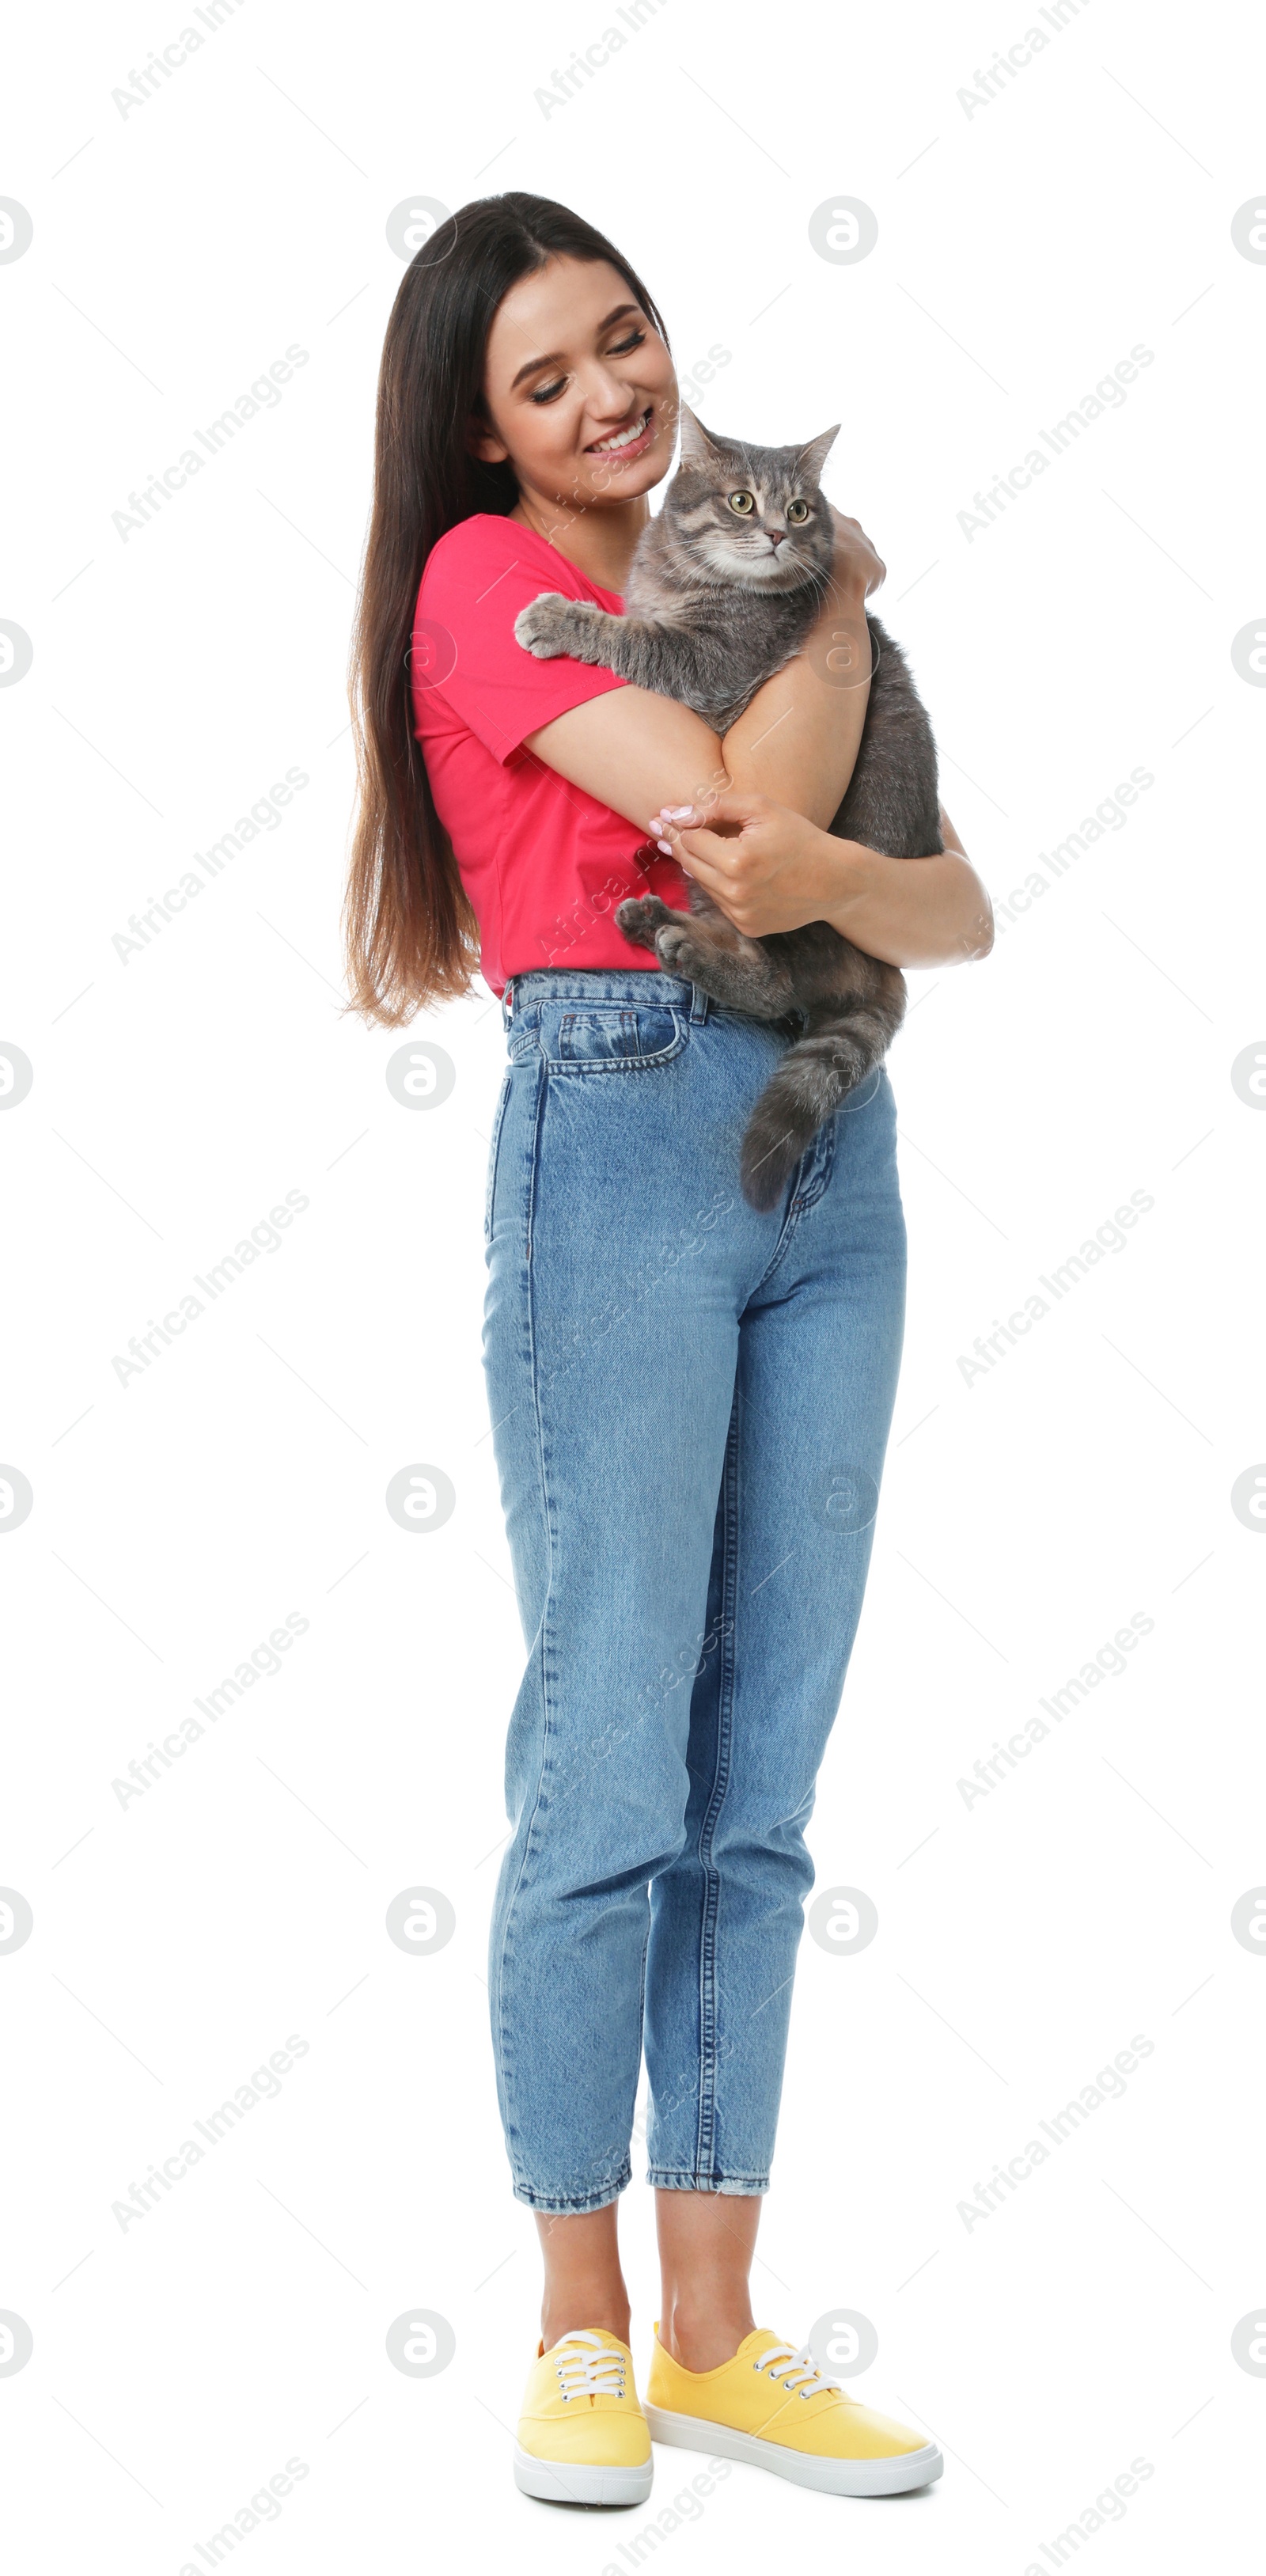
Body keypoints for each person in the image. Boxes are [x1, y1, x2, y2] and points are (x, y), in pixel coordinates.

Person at [347, 191, 991, 2510]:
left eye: (625, 337)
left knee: (765, 1771)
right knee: (608, 1758)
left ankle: (721, 2327)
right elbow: (754, 825)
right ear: (481, 431)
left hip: (841, 1156)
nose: (614, 390)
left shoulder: (704, 582)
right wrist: (835, 592)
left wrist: (823, 845)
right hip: (617, 1135)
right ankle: (582, 2328)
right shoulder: (480, 591)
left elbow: (953, 905)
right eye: (548, 376)